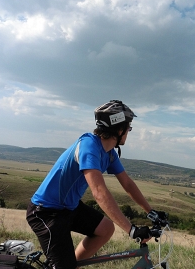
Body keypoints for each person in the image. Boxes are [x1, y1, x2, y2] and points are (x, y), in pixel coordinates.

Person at [26, 100, 168, 269]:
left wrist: (151, 212)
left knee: (106, 229)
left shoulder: (108, 154)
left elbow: (127, 184)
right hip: (46, 212)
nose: (128, 133)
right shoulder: (89, 146)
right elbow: (99, 192)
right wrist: (131, 230)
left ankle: (69, 265)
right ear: (119, 129)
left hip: (69, 208)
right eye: (128, 128)